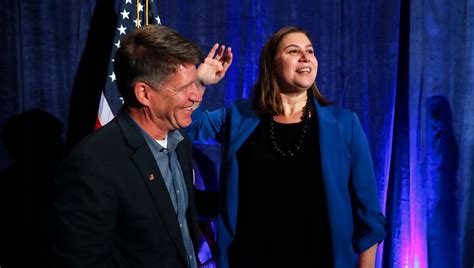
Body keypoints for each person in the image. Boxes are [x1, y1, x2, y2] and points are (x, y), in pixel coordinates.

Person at [187, 26, 386, 267]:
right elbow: (189, 125)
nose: (305, 57)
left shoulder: (344, 125)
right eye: (294, 51)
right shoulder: (240, 116)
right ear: (272, 65)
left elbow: (368, 213)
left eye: (310, 51)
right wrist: (199, 82)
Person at [53, 25, 232, 267]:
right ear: (144, 94)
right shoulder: (93, 164)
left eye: (196, 83)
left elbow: (172, 211)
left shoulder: (180, 143)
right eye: (183, 88)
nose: (197, 96)